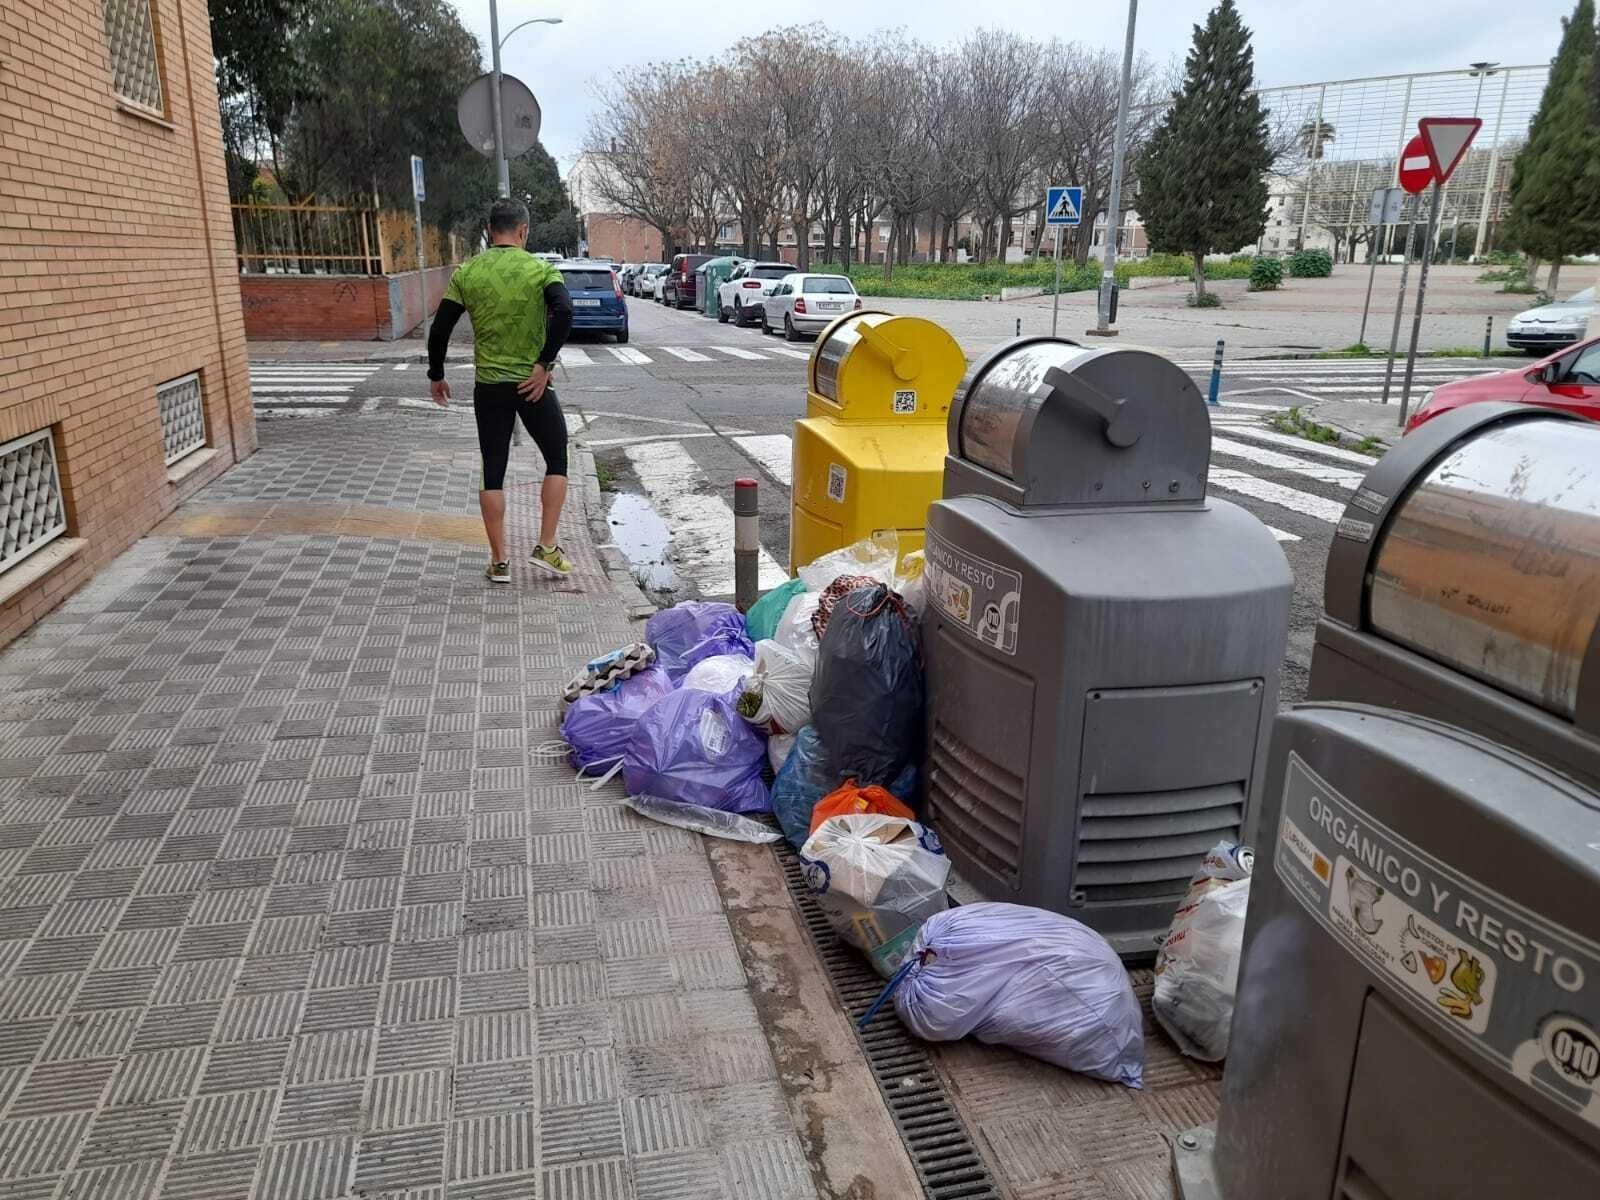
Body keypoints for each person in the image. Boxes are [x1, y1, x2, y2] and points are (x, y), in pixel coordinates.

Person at [426, 199, 575, 583]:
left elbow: (440, 327)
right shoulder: (541, 270)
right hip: (532, 385)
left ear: (490, 231)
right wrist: (544, 364)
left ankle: (500, 562)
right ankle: (546, 545)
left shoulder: (468, 272)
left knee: (493, 469)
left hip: (489, 386)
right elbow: (565, 312)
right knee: (557, 455)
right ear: (523, 230)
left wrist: (437, 373)